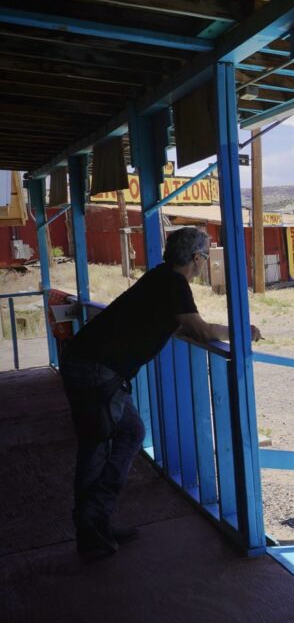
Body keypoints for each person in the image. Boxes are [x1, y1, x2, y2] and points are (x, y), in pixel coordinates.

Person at [60, 226, 262, 557]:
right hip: (97, 371)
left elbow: (179, 322)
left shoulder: (161, 278)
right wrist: (244, 332)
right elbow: (199, 330)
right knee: (95, 448)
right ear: (197, 258)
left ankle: (98, 518)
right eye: (204, 258)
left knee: (130, 433)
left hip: (93, 366)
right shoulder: (174, 283)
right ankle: (89, 529)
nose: (203, 265)